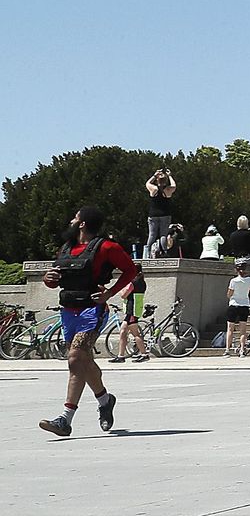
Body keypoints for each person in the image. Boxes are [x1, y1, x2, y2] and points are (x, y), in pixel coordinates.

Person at [38, 207, 138, 437]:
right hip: (68, 310)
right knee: (83, 360)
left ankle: (65, 419)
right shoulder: (66, 248)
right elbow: (56, 278)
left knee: (75, 358)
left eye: (75, 217)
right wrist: (48, 279)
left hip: (92, 310)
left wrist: (110, 293)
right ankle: (105, 400)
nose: (71, 220)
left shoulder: (106, 247)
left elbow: (130, 270)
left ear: (82, 223)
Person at [109, 273, 151, 364]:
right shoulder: (142, 282)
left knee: (135, 333)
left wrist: (121, 287)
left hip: (132, 310)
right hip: (134, 310)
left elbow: (123, 295)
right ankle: (121, 356)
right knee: (123, 332)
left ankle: (144, 354)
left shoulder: (133, 282)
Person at [144, 169, 177, 258]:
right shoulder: (168, 190)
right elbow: (174, 185)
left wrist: (154, 175)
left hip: (153, 214)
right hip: (165, 214)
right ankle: (164, 252)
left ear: (157, 180)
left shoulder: (153, 189)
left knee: (152, 234)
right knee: (163, 234)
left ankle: (147, 252)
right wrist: (170, 176)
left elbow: (147, 183)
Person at [224, 259, 250, 357]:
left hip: (234, 304)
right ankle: (242, 350)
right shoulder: (249, 280)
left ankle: (227, 350)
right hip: (244, 305)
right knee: (243, 330)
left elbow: (229, 294)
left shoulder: (233, 281)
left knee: (230, 329)